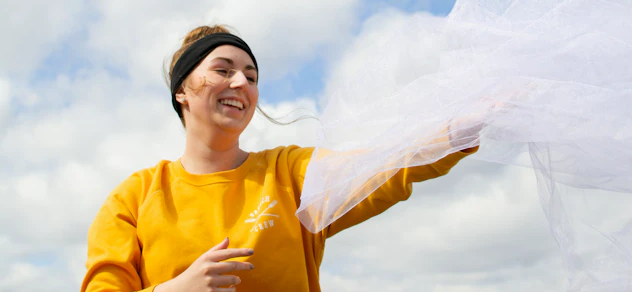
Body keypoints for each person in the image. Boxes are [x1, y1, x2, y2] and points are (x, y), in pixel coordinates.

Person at [81, 25, 478, 292]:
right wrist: (178, 288)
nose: (241, 83)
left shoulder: (289, 174)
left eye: (251, 77)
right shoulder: (133, 198)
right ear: (182, 90)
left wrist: (458, 130)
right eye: (223, 70)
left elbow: (384, 165)